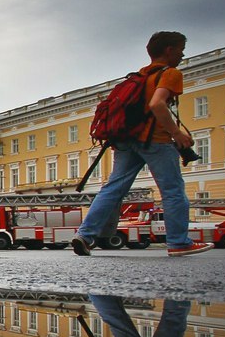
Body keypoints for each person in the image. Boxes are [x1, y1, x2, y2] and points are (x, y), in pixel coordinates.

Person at [72, 31, 213, 257]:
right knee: (173, 191)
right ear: (169, 50)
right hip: (155, 140)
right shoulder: (170, 73)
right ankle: (178, 243)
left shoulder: (138, 77)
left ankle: (85, 235)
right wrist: (176, 133)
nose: (182, 55)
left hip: (126, 141)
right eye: (180, 50)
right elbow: (158, 104)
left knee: (112, 190)